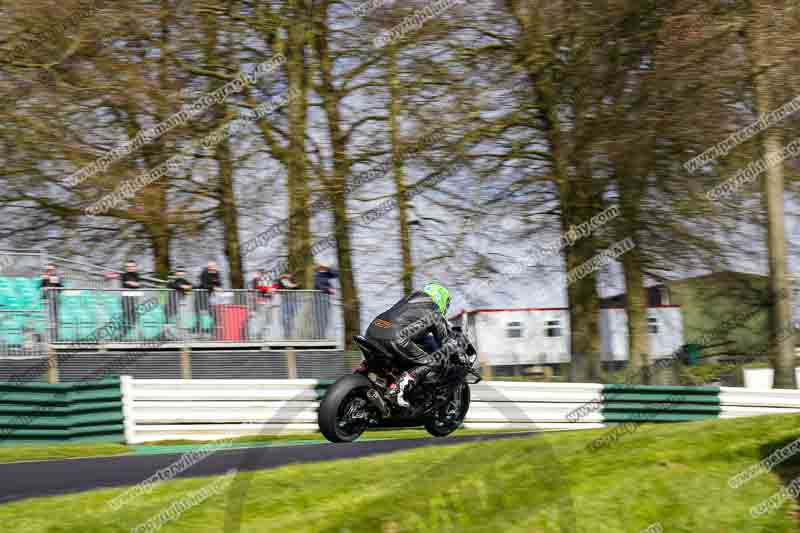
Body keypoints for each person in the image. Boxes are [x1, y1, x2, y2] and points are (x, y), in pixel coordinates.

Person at [364, 282, 463, 408]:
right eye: (447, 303)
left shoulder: (407, 300)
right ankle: (399, 388)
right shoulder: (434, 311)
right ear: (441, 298)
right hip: (395, 338)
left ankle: (363, 372)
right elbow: (444, 341)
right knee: (432, 361)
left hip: (372, 331)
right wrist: (457, 353)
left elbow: (410, 327)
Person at [195, 261, 222, 335]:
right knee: (198, 314)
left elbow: (219, 283)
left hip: (209, 296)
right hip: (200, 295)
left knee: (213, 313)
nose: (214, 268)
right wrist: (213, 287)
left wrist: (217, 284)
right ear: (208, 267)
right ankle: (197, 331)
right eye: (211, 267)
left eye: (214, 267)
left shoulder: (216, 273)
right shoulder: (204, 272)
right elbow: (204, 285)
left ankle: (212, 330)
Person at [165, 267, 192, 336]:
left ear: (184, 273)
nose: (181, 273)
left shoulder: (185, 281)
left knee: (180, 319)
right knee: (169, 319)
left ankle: (179, 334)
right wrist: (182, 286)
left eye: (182, 271)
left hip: (181, 303)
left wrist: (187, 287)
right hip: (171, 303)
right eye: (179, 271)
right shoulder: (173, 280)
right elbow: (170, 285)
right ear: (176, 273)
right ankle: (168, 334)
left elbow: (191, 286)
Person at [39, 264, 63, 341]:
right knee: (48, 319)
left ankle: (56, 337)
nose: (49, 271)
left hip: (55, 300)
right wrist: (45, 280)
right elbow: (41, 287)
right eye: (48, 270)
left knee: (55, 320)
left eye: (51, 270)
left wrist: (53, 280)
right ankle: (49, 338)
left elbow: (60, 288)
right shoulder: (43, 278)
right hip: (47, 300)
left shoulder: (56, 277)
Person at [313, 264, 338, 338]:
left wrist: (329, 268)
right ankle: (319, 335)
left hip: (326, 300)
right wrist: (328, 289)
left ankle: (322, 334)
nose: (325, 270)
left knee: (325, 318)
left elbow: (336, 274)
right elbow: (318, 285)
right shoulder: (317, 276)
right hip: (319, 300)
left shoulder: (327, 274)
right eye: (323, 268)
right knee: (319, 318)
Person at [119, 260, 142, 340]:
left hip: (134, 300)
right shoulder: (124, 275)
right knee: (126, 318)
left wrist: (133, 284)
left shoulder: (137, 275)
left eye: (132, 266)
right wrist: (134, 284)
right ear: (126, 268)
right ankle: (121, 336)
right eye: (128, 267)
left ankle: (131, 336)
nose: (130, 268)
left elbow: (138, 285)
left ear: (135, 267)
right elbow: (128, 283)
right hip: (126, 299)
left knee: (134, 319)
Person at [278, 273, 299, 338]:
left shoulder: (292, 281)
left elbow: (297, 286)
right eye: (286, 276)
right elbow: (281, 284)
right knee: (285, 319)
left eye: (289, 276)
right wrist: (283, 277)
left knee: (291, 319)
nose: (288, 276)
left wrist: (293, 284)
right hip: (285, 302)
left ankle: (290, 334)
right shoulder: (282, 281)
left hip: (292, 302)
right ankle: (286, 334)